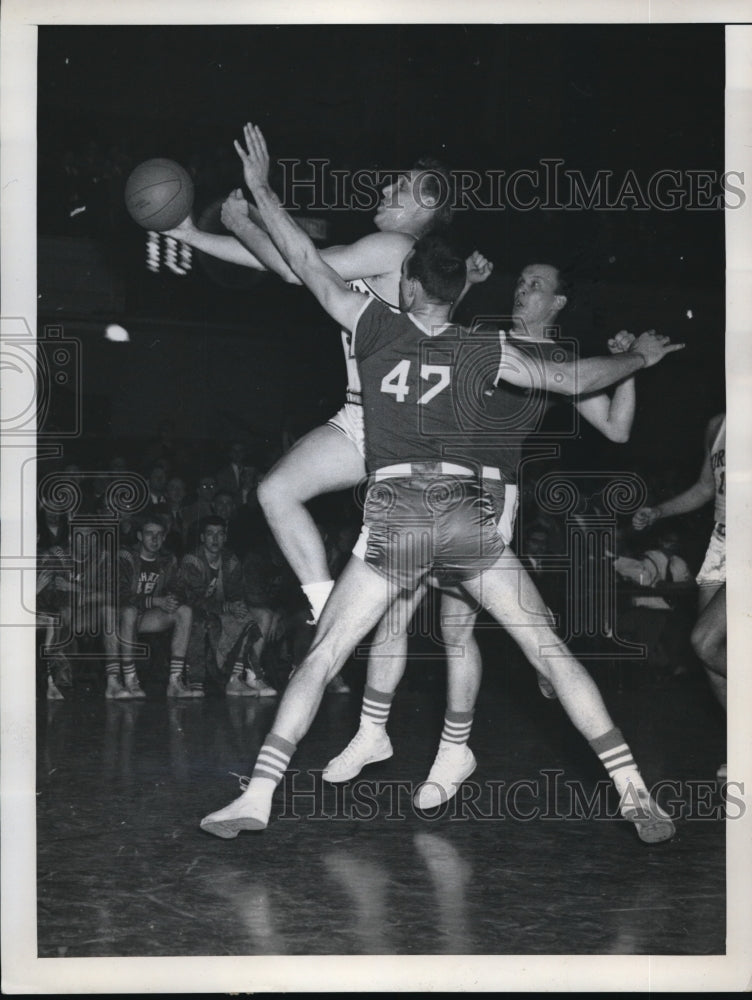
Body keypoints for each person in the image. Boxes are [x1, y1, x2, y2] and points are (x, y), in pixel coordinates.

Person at [199, 123, 684, 844]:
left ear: (410, 285)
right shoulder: (485, 347)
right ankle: (633, 787)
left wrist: (264, 191)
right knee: (548, 649)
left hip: (396, 515)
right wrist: (640, 360)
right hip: (466, 516)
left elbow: (303, 259)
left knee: (326, 653)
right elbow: (576, 377)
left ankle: (259, 796)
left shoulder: (370, 323)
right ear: (461, 296)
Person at [324, 262, 640, 800]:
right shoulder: (483, 339)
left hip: (493, 494)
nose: (522, 290)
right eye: (520, 282)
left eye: (535, 285)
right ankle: (371, 732)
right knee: (396, 609)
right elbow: (427, 323)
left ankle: (454, 752)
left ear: (558, 303)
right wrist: (461, 282)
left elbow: (616, 428)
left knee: (455, 626)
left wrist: (631, 366)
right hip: (429, 484)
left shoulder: (556, 360)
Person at [167, 145, 485, 626]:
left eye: (398, 187)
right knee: (276, 492)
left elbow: (299, 266)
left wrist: (251, 208)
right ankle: (328, 610)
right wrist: (193, 233)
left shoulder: (398, 249)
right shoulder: (404, 261)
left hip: (395, 429)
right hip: (365, 416)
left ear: (424, 206)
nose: (384, 189)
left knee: (412, 599)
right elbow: (291, 264)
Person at [632, 414, 726, 712]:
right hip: (722, 544)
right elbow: (704, 487)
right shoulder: (717, 426)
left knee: (704, 642)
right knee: (711, 661)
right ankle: (742, 748)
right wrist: (659, 511)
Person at [178, 516, 277, 697]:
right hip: (196, 610)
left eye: (220, 534)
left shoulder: (230, 559)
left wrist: (237, 606)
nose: (215, 539)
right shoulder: (191, 561)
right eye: (210, 534)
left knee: (263, 615)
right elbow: (193, 599)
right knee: (201, 619)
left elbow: (236, 593)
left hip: (223, 608)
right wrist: (227, 608)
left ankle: (247, 676)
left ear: (225, 537)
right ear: (202, 538)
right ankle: (212, 679)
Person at [107, 514, 197, 699]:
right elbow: (119, 594)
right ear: (140, 536)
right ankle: (130, 679)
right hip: (117, 618)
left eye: (159, 534)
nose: (155, 539)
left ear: (164, 537)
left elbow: (179, 587)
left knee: (184, 611)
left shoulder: (168, 559)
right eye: (149, 533)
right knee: (130, 611)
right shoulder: (125, 556)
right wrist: (154, 601)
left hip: (147, 617)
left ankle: (175, 681)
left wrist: (173, 598)